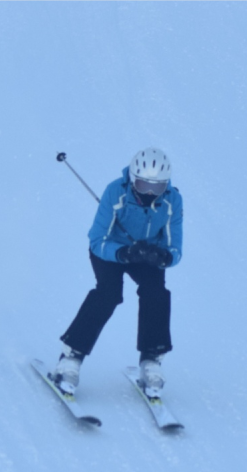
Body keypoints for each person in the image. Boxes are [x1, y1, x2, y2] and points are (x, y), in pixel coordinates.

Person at [51, 147, 183, 398]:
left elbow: (175, 247)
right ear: (132, 179)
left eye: (157, 187)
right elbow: (97, 239)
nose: (150, 193)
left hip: (146, 253)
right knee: (108, 294)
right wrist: (123, 253)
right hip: (110, 250)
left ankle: (151, 359)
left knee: (156, 292)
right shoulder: (115, 192)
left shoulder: (172, 201)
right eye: (144, 185)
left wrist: (163, 256)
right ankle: (71, 357)